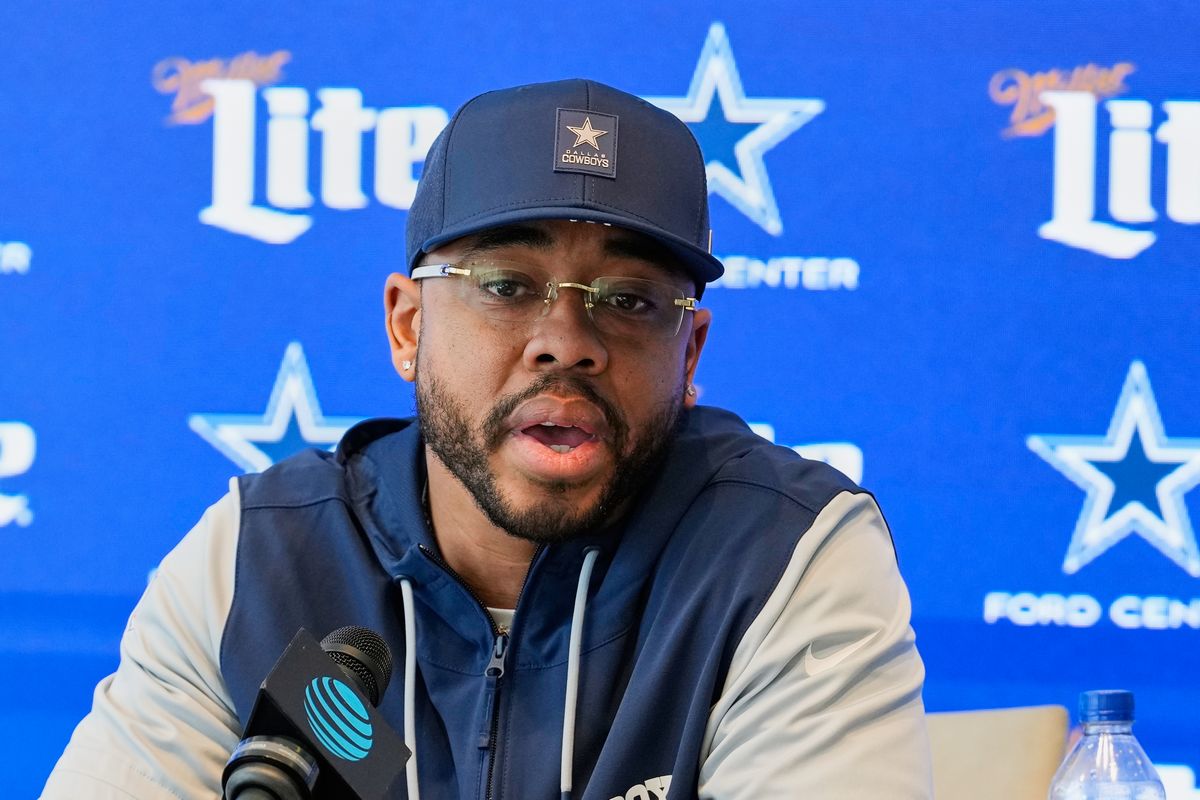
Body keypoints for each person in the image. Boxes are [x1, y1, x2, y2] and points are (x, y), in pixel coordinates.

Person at [42, 79, 932, 799]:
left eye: (629, 300)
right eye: (506, 285)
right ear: (408, 326)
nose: (567, 342)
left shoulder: (779, 556)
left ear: (690, 353)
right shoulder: (263, 561)